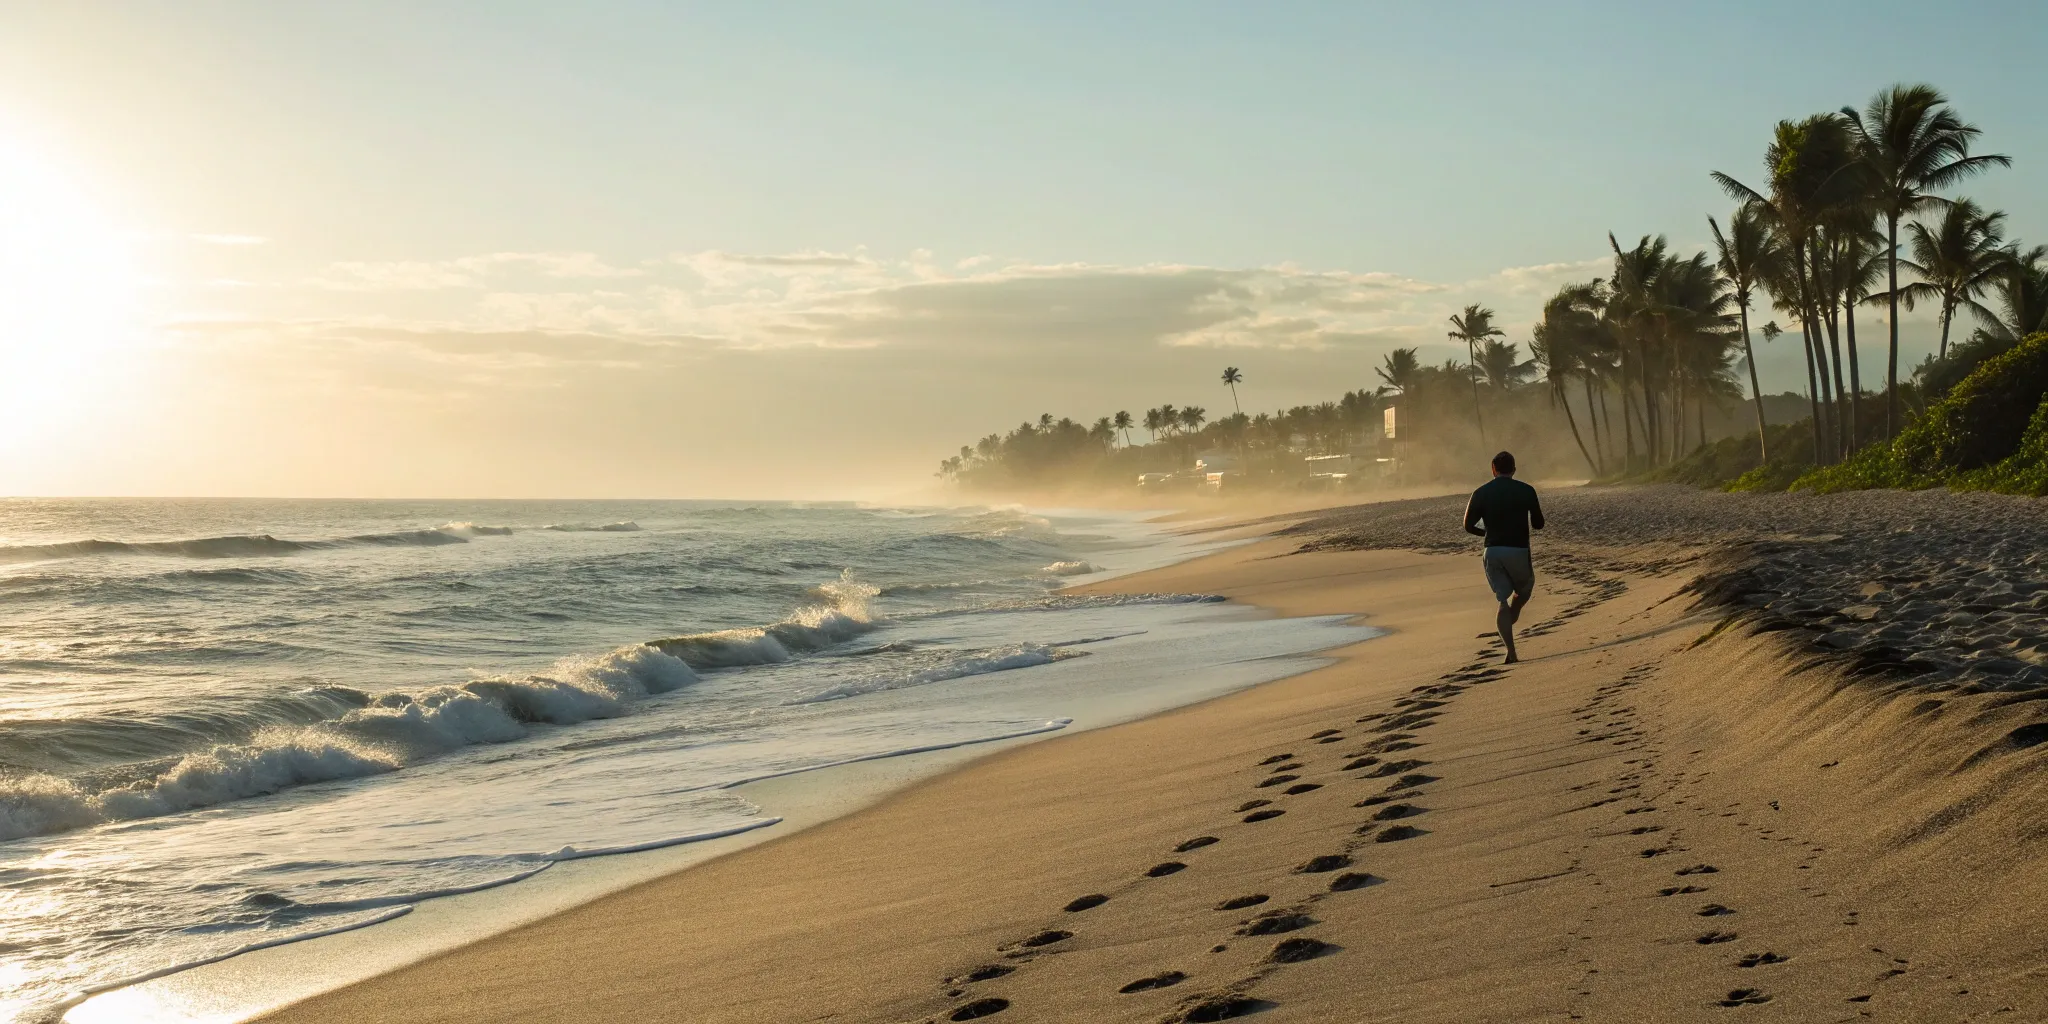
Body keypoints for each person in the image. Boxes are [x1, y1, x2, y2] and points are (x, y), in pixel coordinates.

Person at [1463, 451, 1544, 663]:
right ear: (1514, 470)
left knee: (1502, 599)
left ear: (1493, 469)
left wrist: (1487, 533)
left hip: (1492, 551)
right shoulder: (1526, 490)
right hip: (1518, 550)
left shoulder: (1481, 492)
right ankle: (1513, 613)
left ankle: (1511, 651)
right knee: (1523, 591)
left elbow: (1468, 526)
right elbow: (1538, 524)